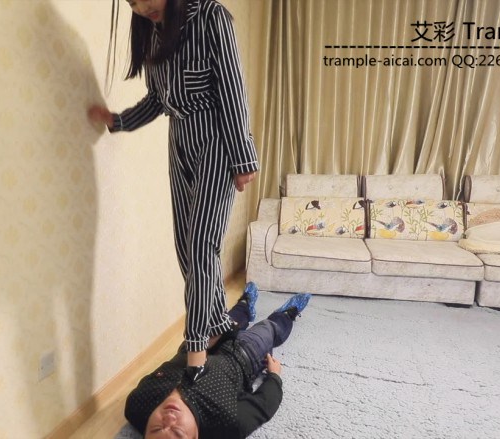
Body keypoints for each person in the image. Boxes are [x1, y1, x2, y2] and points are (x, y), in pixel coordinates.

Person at [88, 0, 259, 370]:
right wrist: (118, 121)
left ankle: (196, 348)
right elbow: (158, 100)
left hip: (217, 138)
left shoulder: (211, 16)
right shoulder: (153, 30)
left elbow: (232, 90)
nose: (140, 7)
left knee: (201, 245)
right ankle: (216, 325)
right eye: (131, 2)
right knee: (185, 245)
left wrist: (243, 158)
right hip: (178, 138)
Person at [124, 283, 312, 439]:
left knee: (228, 319)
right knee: (268, 329)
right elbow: (264, 405)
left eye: (156, 428)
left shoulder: (138, 404)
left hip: (199, 347)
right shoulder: (227, 425)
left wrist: (209, 339)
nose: (169, 419)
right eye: (178, 432)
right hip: (242, 355)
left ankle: (245, 305)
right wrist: (274, 376)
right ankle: (285, 315)